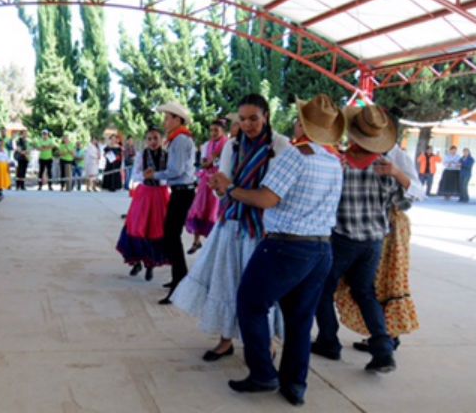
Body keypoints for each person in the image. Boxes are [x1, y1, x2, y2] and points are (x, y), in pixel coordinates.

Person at [218, 94, 344, 406]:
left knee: (250, 304)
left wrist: (231, 190)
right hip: (320, 249)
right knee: (300, 319)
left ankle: (262, 372)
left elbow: (266, 198)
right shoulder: (333, 161)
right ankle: (295, 384)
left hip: (286, 245)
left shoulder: (294, 155)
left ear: (303, 123)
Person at [173, 95, 291, 363]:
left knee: (261, 290)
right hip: (231, 223)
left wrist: (232, 189)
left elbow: (274, 193)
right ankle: (225, 340)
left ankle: (266, 344)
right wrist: (219, 188)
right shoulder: (233, 146)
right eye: (243, 119)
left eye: (254, 119)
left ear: (267, 117)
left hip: (264, 227)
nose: (248, 125)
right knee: (225, 282)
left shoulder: (281, 145)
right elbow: (224, 187)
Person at [312, 104, 405, 376]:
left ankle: (329, 340)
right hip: (373, 242)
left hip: (342, 239)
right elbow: (401, 203)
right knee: (365, 293)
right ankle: (383, 350)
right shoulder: (386, 168)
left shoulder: (339, 165)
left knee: (322, 288)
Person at [338, 138, 423, 355]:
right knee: (370, 289)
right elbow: (404, 202)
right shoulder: (383, 165)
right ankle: (382, 343)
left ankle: (386, 338)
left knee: (383, 285)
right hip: (378, 236)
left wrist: (397, 173)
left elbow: (417, 193)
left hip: (376, 236)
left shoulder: (393, 159)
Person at [151, 102, 197, 305]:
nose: (165, 121)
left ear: (178, 120)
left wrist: (155, 174)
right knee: (172, 236)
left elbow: (176, 170)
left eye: (168, 118)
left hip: (182, 191)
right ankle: (179, 276)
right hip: (181, 191)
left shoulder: (179, 140)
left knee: (171, 237)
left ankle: (180, 280)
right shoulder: (180, 138)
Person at [116, 128, 169, 281]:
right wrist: (143, 176)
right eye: (150, 138)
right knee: (137, 227)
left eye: (156, 138)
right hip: (144, 194)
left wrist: (159, 178)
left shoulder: (167, 156)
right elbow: (135, 175)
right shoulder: (141, 155)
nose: (153, 141)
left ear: (161, 140)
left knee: (155, 229)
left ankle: (150, 264)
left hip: (159, 194)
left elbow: (169, 176)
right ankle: (136, 261)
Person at [185, 119, 229, 254]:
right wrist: (207, 163)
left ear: (223, 131)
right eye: (211, 130)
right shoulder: (206, 145)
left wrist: (214, 160)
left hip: (220, 181)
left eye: (216, 130)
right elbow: (204, 162)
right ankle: (196, 241)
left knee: (214, 212)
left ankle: (213, 245)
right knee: (199, 208)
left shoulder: (227, 145)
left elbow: (225, 164)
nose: (213, 133)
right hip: (206, 181)